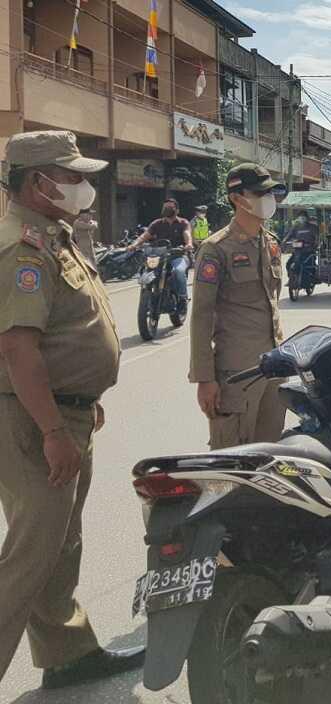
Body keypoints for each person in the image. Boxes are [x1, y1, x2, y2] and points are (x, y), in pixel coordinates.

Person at [0, 130, 145, 688]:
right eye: (73, 176)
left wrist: (79, 404)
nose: (84, 186)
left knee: (62, 545)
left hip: (63, 413)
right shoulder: (22, 247)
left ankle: (67, 653)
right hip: (33, 422)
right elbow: (18, 348)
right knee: (30, 558)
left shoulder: (52, 235)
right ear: (39, 183)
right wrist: (54, 427)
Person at [189, 164, 286, 450]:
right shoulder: (216, 249)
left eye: (270, 192)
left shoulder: (270, 244)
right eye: (259, 193)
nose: (267, 199)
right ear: (236, 198)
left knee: (269, 455)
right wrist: (205, 379)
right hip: (236, 374)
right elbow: (201, 317)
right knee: (233, 459)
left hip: (273, 369)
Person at [128, 198, 193, 311]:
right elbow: (144, 236)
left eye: (170, 207)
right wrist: (134, 245)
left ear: (177, 210)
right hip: (159, 256)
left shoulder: (183, 222)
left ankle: (183, 298)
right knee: (145, 270)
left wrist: (188, 244)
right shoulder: (157, 223)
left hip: (177, 255)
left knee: (178, 271)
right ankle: (150, 294)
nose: (167, 209)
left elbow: (187, 233)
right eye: (165, 207)